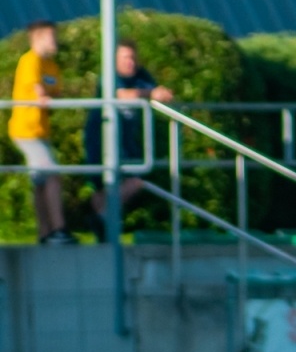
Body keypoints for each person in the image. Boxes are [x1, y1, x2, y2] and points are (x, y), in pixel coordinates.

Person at [83, 40, 175, 240]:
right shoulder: (110, 76)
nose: (130, 62)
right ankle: (103, 225)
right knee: (112, 185)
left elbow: (157, 90)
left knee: (129, 182)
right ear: (114, 60)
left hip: (125, 141)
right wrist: (150, 93)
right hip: (101, 139)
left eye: (133, 57)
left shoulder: (140, 76)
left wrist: (162, 93)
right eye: (125, 58)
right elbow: (121, 94)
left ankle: (103, 225)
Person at [8, 20, 70, 245]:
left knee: (41, 181)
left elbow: (56, 94)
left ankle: (45, 232)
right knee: (52, 175)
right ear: (38, 38)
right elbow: (40, 93)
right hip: (27, 131)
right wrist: (43, 97)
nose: (55, 42)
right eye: (51, 37)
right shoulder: (30, 61)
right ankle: (58, 228)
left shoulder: (51, 65)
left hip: (41, 131)